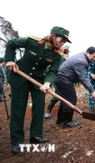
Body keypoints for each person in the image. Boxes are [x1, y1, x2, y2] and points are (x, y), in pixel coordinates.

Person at [4, 26, 71, 154]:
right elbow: (11, 44)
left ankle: (35, 136)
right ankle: (17, 141)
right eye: (61, 39)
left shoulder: (58, 55)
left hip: (39, 81)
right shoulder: (32, 41)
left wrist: (47, 83)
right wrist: (10, 60)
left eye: (65, 41)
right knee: (18, 108)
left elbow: (53, 71)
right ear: (53, 35)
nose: (63, 42)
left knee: (39, 106)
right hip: (20, 77)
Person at [55, 46, 95, 127]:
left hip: (61, 79)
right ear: (88, 53)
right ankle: (67, 122)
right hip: (64, 79)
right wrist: (92, 91)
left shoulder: (83, 57)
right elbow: (83, 78)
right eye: (94, 57)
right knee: (71, 99)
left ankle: (60, 120)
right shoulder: (81, 61)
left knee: (64, 100)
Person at [44, 46, 70, 119]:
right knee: (58, 94)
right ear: (66, 53)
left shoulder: (65, 59)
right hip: (59, 80)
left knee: (61, 94)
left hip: (62, 80)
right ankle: (48, 111)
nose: (68, 54)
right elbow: (58, 71)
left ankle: (63, 112)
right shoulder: (61, 59)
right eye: (67, 52)